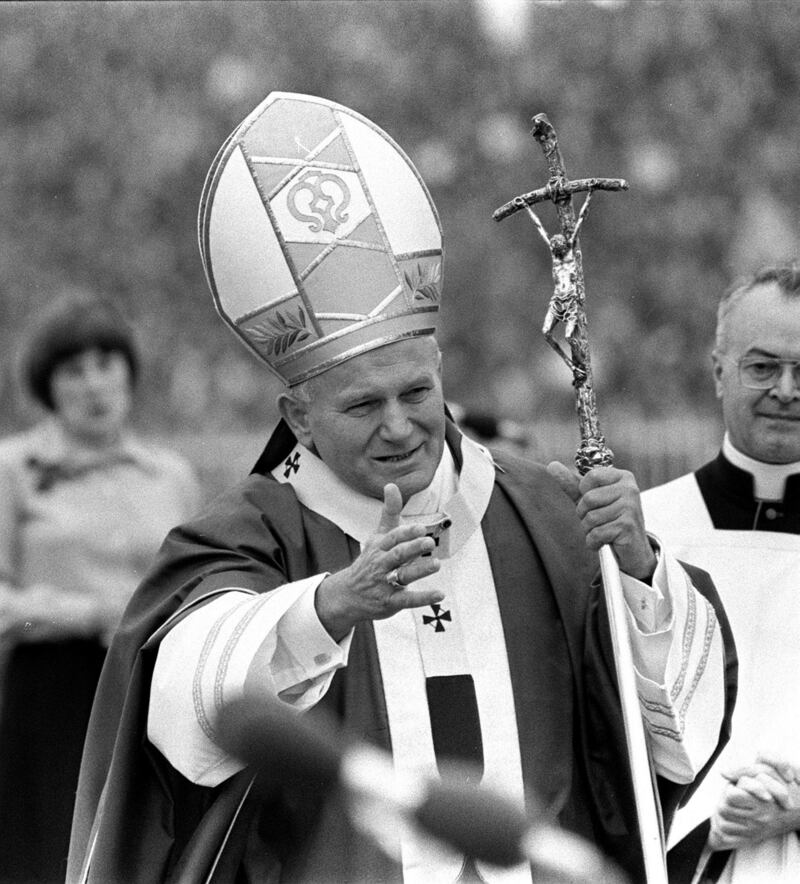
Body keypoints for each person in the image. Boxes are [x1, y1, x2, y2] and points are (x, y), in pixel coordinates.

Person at [69, 92, 735, 884]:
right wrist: (330, 605)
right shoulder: (255, 533)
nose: (399, 426)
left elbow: (677, 737)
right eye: (362, 405)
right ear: (299, 417)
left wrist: (638, 569)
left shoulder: (550, 513)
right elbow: (184, 706)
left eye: (416, 394)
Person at [0, 292, 200, 884]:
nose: (94, 385)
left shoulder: (171, 475)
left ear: (129, 374)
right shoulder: (13, 469)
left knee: (146, 850)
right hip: (53, 691)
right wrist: (91, 614)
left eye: (105, 364)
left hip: (148, 687)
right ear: (47, 386)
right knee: (52, 854)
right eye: (73, 370)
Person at [642, 262, 800, 883]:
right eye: (762, 368)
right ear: (718, 373)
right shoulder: (650, 533)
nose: (786, 390)